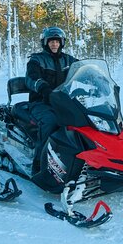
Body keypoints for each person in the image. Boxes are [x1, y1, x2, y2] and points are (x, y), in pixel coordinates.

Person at [25, 27, 78, 175]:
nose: (54, 44)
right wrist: (43, 88)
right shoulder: (37, 60)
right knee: (51, 121)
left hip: (64, 101)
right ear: (45, 43)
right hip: (41, 102)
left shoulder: (69, 60)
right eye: (51, 41)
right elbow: (31, 78)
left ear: (62, 43)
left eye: (57, 41)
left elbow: (83, 70)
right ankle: (39, 162)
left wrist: (96, 81)